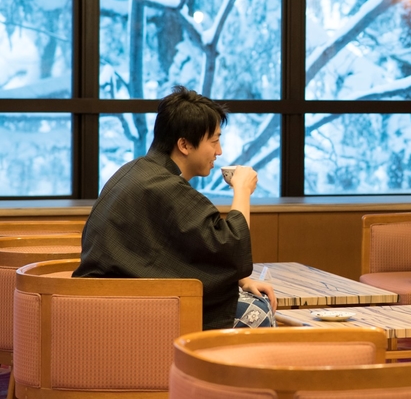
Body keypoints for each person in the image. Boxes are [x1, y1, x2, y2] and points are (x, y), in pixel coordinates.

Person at [73, 86, 277, 330]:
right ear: (184, 144)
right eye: (214, 141)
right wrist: (242, 190)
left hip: (101, 305)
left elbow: (172, 254)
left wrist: (239, 279)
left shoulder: (136, 171)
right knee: (258, 312)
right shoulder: (164, 186)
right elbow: (229, 246)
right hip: (130, 314)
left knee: (250, 302)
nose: (219, 152)